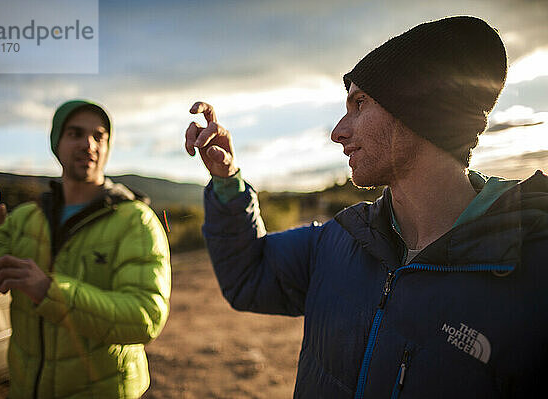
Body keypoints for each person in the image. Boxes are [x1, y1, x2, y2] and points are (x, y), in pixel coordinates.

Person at [185, 16, 548, 398]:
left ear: (423, 110)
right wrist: (227, 181)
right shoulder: (340, 238)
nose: (338, 131)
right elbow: (249, 277)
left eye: (360, 103)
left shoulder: (533, 272)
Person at [0, 100, 171, 398]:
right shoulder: (23, 220)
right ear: (57, 144)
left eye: (99, 136)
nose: (88, 144)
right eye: (75, 134)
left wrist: (49, 291)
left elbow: (146, 317)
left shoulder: (137, 222)